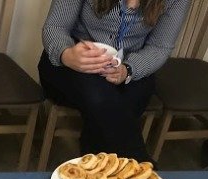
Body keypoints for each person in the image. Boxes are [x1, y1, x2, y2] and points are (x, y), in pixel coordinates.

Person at [39, 0, 189, 162]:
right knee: (99, 96)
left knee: (132, 97)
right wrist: (68, 55)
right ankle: (140, 165)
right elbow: (55, 27)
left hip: (131, 64)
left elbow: (159, 47)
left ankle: (97, 168)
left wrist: (128, 69)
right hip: (69, 60)